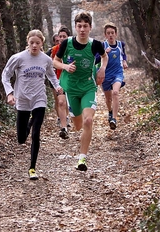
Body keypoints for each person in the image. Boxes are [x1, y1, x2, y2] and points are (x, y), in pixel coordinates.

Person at [2, 29, 63, 180]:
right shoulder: (18, 58)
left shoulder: (46, 59)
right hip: (22, 99)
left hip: (39, 99)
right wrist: (9, 93)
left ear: (42, 43)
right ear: (27, 43)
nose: (34, 46)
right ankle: (28, 124)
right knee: (21, 139)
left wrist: (57, 86)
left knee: (36, 134)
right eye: (31, 43)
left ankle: (32, 168)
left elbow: (51, 75)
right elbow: (6, 74)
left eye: (37, 43)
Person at [53, 11, 108, 171]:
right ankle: (73, 117)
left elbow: (105, 57)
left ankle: (82, 159)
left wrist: (102, 69)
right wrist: (65, 66)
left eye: (85, 26)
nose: (82, 29)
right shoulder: (66, 43)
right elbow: (55, 61)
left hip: (88, 87)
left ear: (90, 27)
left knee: (88, 121)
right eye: (79, 26)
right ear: (75, 27)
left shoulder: (95, 44)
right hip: (71, 88)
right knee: (77, 125)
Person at [101, 22, 128, 130]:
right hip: (106, 74)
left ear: (116, 34)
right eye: (108, 33)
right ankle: (110, 112)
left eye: (112, 33)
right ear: (105, 35)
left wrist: (125, 61)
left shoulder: (121, 44)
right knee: (108, 99)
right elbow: (97, 59)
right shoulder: (103, 46)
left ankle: (114, 119)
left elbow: (123, 54)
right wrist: (104, 53)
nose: (111, 35)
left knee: (115, 93)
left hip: (118, 73)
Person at [49, 25, 72, 139]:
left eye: (64, 36)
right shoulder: (54, 50)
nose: (62, 38)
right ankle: (64, 126)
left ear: (69, 37)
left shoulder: (74, 47)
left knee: (68, 102)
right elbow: (47, 60)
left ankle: (68, 117)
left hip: (73, 80)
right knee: (60, 101)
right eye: (60, 36)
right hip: (58, 79)